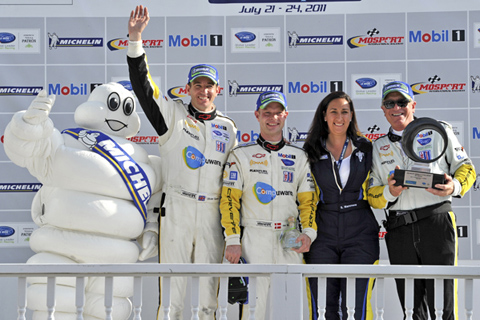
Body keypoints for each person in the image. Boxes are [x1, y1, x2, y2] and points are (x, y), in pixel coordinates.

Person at [127, 5, 238, 320]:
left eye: (209, 86)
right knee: (172, 296)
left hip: (212, 214)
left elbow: (235, 181)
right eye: (197, 85)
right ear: (187, 89)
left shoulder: (228, 128)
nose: (203, 91)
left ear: (217, 90)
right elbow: (143, 88)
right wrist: (136, 39)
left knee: (209, 299)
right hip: (176, 210)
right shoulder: (172, 114)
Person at [367, 81, 476, 320]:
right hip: (399, 229)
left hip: (436, 221)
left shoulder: (439, 130)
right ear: (383, 110)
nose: (396, 107)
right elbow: (372, 195)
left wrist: (453, 186)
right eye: (389, 103)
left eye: (402, 102)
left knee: (443, 306)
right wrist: (389, 193)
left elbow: (466, 168)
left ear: (413, 105)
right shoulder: (377, 147)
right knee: (411, 309)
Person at [220, 90, 318, 319]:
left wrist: (310, 234)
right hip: (255, 239)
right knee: (253, 312)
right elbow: (229, 201)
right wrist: (233, 240)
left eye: (278, 113)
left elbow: (308, 201)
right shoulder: (240, 155)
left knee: (289, 312)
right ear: (257, 115)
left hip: (289, 237)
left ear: (286, 116)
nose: (273, 118)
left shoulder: (299, 156)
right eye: (267, 113)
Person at [303, 91, 379, 320]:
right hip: (322, 233)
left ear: (351, 115)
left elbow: (378, 189)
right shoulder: (310, 151)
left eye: (344, 111)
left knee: (356, 307)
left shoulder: (366, 148)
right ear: (324, 116)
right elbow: (304, 197)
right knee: (322, 308)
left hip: (360, 232)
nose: (339, 116)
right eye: (333, 111)